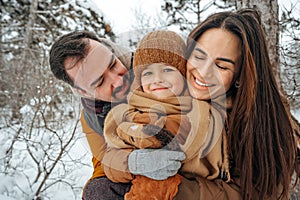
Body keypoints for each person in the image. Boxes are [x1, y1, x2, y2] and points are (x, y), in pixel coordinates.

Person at [173, 8, 300, 200]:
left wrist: (171, 189)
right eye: (199, 56)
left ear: (240, 76)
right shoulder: (167, 92)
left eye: (221, 66)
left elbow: (252, 193)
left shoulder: (260, 122)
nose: (204, 71)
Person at [49, 30, 186, 199]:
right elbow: (103, 163)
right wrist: (131, 162)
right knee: (97, 191)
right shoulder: (91, 118)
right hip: (144, 181)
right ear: (83, 92)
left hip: (194, 163)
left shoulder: (152, 68)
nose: (119, 81)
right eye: (100, 82)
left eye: (113, 65)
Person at [102, 30, 230, 200]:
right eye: (148, 73)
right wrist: (133, 162)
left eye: (167, 70)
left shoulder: (202, 107)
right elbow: (109, 159)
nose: (157, 79)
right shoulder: (130, 111)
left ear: (183, 74)